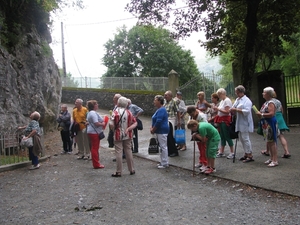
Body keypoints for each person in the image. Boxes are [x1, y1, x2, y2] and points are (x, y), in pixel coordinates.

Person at [109, 97, 137, 177]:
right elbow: (135, 123)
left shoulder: (115, 112)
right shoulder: (129, 112)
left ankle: (119, 171)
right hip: (128, 134)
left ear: (118, 103)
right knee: (128, 151)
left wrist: (113, 128)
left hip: (118, 134)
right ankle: (132, 169)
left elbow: (111, 124)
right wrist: (128, 129)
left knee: (118, 152)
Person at [261, 92, 291, 158]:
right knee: (281, 136)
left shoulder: (269, 102)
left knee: (270, 136)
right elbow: (282, 110)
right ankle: (286, 151)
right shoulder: (278, 101)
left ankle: (268, 151)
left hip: (274, 119)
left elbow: (271, 112)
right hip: (280, 118)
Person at [230, 85, 254, 162]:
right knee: (241, 138)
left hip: (245, 122)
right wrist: (232, 110)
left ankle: (250, 154)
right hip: (239, 121)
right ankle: (246, 153)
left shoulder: (247, 100)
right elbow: (233, 107)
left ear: (241, 92)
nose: (236, 94)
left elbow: (247, 111)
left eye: (237, 92)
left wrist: (236, 110)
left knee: (245, 138)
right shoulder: (237, 99)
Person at [256, 87, 279, 167]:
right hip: (266, 123)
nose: (262, 94)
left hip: (270, 123)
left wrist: (261, 114)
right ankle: (272, 158)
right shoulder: (267, 102)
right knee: (269, 141)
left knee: (272, 142)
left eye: (264, 92)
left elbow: (271, 113)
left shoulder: (271, 103)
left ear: (268, 94)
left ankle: (275, 160)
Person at [214, 88, 234, 159]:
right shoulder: (223, 101)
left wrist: (218, 109)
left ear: (223, 94)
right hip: (221, 120)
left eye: (219, 94)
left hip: (225, 120)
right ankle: (221, 151)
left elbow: (227, 111)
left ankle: (232, 152)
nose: (218, 96)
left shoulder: (227, 100)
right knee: (222, 136)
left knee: (227, 136)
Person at [187, 106, 208, 172]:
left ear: (195, 111)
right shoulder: (191, 116)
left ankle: (205, 163)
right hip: (196, 132)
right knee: (200, 148)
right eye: (190, 115)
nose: (191, 116)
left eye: (192, 114)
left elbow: (205, 125)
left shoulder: (201, 116)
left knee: (204, 148)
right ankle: (201, 161)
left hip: (202, 132)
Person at [150, 95, 170, 169]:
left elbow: (159, 121)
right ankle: (163, 161)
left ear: (159, 101)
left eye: (155, 100)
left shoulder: (161, 109)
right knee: (162, 146)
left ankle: (165, 163)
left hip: (162, 130)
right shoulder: (159, 109)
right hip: (159, 130)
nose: (154, 102)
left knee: (163, 147)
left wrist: (153, 129)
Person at [86, 100, 106, 169]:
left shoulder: (89, 113)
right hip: (94, 132)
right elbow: (96, 123)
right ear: (94, 106)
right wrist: (103, 124)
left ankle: (96, 162)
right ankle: (96, 164)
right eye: (96, 104)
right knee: (95, 148)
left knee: (94, 147)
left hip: (91, 131)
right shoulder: (93, 113)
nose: (97, 105)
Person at [164, 90, 181, 157]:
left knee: (170, 136)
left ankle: (174, 151)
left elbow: (178, 111)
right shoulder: (165, 102)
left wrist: (179, 121)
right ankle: (169, 151)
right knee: (167, 136)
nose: (165, 96)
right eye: (164, 95)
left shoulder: (174, 102)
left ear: (170, 96)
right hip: (165, 119)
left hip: (171, 119)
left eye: (166, 95)